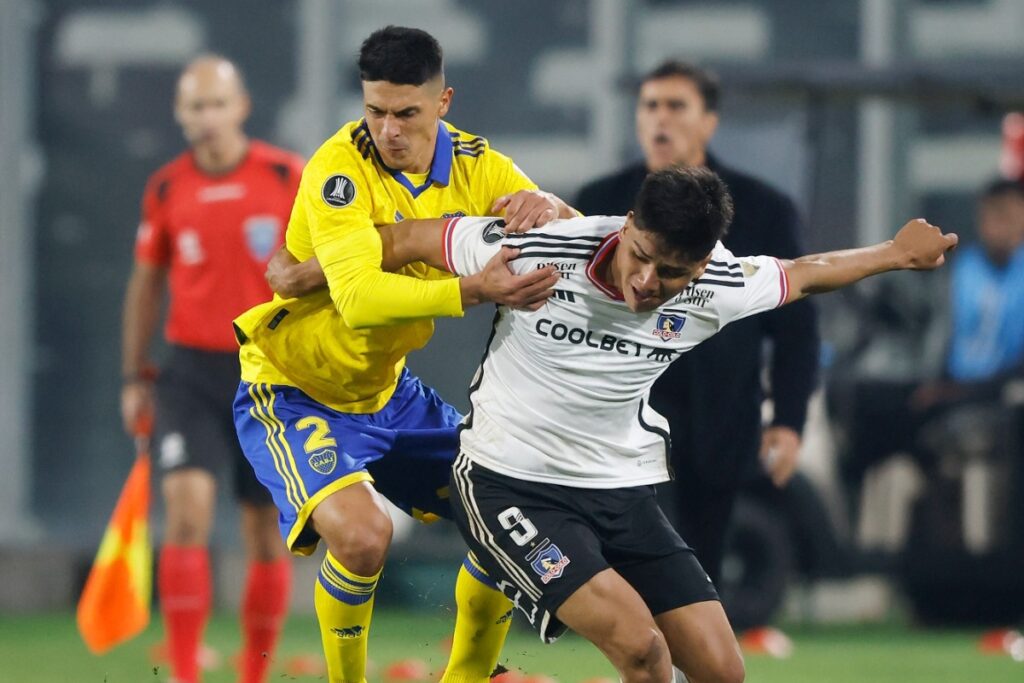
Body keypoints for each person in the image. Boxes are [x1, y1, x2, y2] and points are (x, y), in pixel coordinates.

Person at [368, 166, 956, 682]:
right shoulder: (540, 248)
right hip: (508, 482)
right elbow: (404, 239)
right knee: (644, 652)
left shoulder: (719, 288)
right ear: (625, 226)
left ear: (702, 265)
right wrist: (299, 273)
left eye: (671, 271)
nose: (647, 281)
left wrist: (897, 255)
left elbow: (805, 272)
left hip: (621, 491)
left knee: (722, 670)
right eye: (640, 255)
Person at [231, 26, 574, 683]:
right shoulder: (337, 169)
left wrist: (551, 203)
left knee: (502, 511)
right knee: (363, 538)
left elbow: (570, 236)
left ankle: (471, 676)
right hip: (295, 385)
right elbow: (358, 298)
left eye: (406, 114)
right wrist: (474, 287)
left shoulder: (477, 165)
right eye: (375, 111)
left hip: (388, 391)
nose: (387, 130)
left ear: (442, 102)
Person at [575, 60, 820, 588]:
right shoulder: (598, 204)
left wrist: (791, 422)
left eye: (676, 106)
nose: (661, 119)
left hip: (721, 415)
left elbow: (797, 330)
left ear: (709, 121)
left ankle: (690, 665)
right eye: (650, 106)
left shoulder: (763, 208)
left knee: (702, 566)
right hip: (622, 416)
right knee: (632, 562)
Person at [120, 56, 304, 683]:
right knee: (187, 512)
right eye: (193, 106)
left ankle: (253, 675)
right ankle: (184, 672)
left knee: (261, 532)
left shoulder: (285, 175)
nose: (205, 117)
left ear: (240, 107)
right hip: (191, 372)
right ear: (180, 114)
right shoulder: (167, 187)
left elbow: (324, 269)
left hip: (266, 372)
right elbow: (146, 285)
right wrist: (133, 376)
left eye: (215, 104)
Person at [839, 178, 1024, 505]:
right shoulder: (963, 269)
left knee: (911, 416)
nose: (996, 227)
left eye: (1006, 217)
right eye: (990, 216)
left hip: (997, 393)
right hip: (949, 383)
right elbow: (937, 333)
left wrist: (957, 391)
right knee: (865, 397)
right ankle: (855, 507)